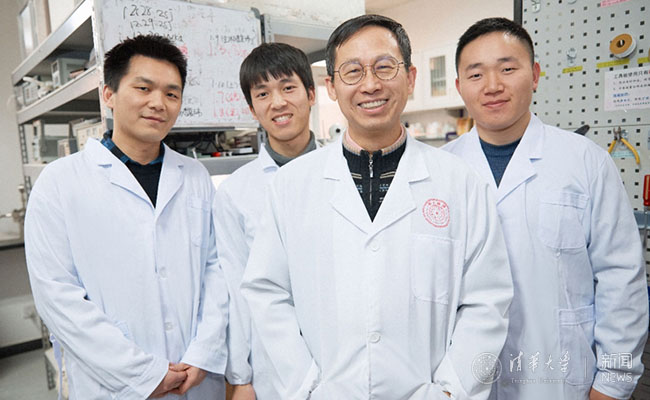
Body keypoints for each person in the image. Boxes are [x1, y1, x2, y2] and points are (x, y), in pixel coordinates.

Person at [240, 14, 513, 400]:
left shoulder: (461, 183)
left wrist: (452, 391)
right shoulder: (290, 186)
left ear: (411, 78)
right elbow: (268, 294)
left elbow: (487, 302)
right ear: (332, 87)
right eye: (353, 71)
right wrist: (307, 387)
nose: (370, 84)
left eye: (385, 67)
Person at [444, 17, 648, 400]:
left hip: (561, 378)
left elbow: (621, 278)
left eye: (508, 69)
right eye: (476, 74)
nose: (492, 85)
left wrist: (613, 383)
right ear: (459, 86)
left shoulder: (585, 162)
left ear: (535, 75)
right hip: (462, 382)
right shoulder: (440, 170)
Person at [24, 35, 229, 399]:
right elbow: (57, 296)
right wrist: (142, 373)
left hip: (196, 377)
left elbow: (216, 269)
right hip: (114, 386)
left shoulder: (195, 176)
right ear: (109, 94)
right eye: (143, 88)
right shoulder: (59, 183)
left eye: (171, 93)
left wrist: (204, 353)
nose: (158, 103)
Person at [214, 42, 318, 400]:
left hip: (345, 355)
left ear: (311, 94)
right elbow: (236, 288)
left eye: (288, 87)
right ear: (252, 108)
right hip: (272, 369)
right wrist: (240, 377)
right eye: (262, 93)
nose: (277, 102)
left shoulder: (348, 173)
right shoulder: (235, 193)